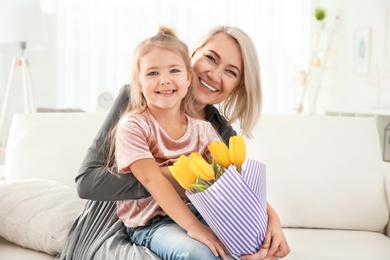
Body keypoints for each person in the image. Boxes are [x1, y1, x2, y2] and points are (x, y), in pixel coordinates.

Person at [59, 25, 290, 260]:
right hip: (133, 218)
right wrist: (178, 175)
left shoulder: (215, 131)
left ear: (237, 86)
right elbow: (88, 183)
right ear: (192, 56)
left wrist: (271, 220)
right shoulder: (136, 105)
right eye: (210, 58)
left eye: (231, 72)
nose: (214, 75)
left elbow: (234, 185)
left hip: (193, 214)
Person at [110, 25, 228, 259]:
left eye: (174, 70)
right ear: (139, 84)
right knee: (199, 254)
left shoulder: (203, 130)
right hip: (152, 223)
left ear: (188, 78)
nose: (164, 80)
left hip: (201, 211)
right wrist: (194, 227)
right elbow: (152, 179)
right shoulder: (133, 126)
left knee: (253, 247)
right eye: (153, 73)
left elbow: (228, 179)